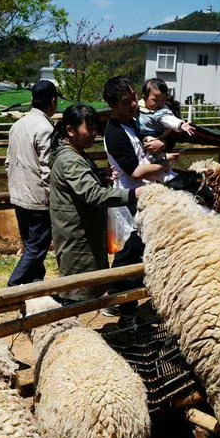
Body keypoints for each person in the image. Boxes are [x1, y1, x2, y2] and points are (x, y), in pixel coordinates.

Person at [49, 104, 145, 303]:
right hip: (77, 233)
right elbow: (93, 194)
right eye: (88, 128)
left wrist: (99, 176)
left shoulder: (75, 152)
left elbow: (82, 184)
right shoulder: (70, 159)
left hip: (84, 229)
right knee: (76, 288)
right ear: (70, 130)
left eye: (95, 128)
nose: (94, 134)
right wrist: (133, 193)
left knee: (85, 283)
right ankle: (65, 328)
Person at [102, 76, 176, 321]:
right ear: (113, 105)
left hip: (146, 192)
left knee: (140, 247)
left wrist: (162, 146)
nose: (134, 103)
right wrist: (164, 165)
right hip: (130, 196)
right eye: (126, 101)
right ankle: (117, 299)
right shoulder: (114, 133)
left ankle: (129, 299)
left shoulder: (134, 123)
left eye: (134, 97)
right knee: (129, 249)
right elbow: (134, 171)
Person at [5, 80, 60, 286]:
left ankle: (34, 286)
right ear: (53, 101)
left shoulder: (17, 125)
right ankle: (13, 286)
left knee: (31, 246)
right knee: (38, 247)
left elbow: (8, 161)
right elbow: (47, 168)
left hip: (19, 195)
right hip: (38, 199)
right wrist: (53, 198)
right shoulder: (46, 128)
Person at [138, 77, 195, 150]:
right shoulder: (138, 107)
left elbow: (169, 120)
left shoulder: (161, 112)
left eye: (163, 99)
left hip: (154, 139)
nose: (160, 103)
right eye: (155, 100)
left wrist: (180, 125)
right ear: (145, 98)